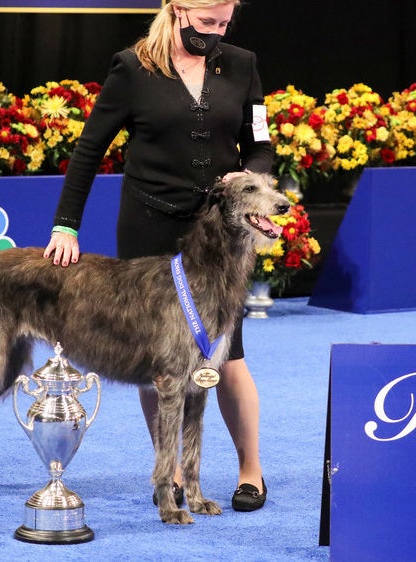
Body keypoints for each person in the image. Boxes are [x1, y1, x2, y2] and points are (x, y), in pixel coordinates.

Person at [43, 0, 272, 512]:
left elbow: (260, 144)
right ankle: (168, 472)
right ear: (177, 11)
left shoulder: (242, 64)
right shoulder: (133, 68)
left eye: (224, 23)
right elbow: (88, 150)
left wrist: (247, 174)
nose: (215, 32)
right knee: (158, 360)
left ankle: (250, 471)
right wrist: (66, 225)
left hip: (218, 234)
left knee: (227, 356)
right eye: (206, 22)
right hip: (151, 226)